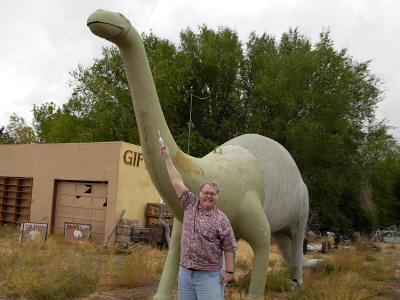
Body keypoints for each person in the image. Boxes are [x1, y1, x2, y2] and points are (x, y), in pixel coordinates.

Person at [160, 144, 237, 300]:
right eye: (205, 193)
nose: (208, 196)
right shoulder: (189, 204)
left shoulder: (221, 219)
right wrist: (167, 158)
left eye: (212, 194)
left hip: (209, 277)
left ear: (217, 197)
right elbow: (176, 181)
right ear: (199, 194)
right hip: (185, 274)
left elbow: (229, 246)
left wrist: (229, 271)